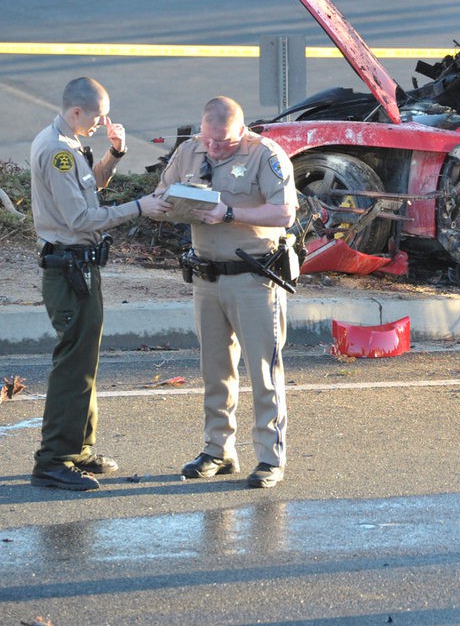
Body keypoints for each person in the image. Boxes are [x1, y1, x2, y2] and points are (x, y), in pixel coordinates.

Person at [29, 77, 170, 491]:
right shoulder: (57, 150)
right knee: (73, 365)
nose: (100, 122)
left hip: (80, 268)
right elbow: (80, 219)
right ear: (76, 112)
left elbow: (91, 188)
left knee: (84, 362)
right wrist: (139, 207)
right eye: (96, 117)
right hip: (69, 270)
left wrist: (115, 152)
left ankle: (80, 448)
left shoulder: (68, 142)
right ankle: (54, 459)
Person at [155, 96, 298, 489]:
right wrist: (169, 205)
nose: (215, 148)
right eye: (209, 139)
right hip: (206, 277)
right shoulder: (189, 151)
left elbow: (285, 213)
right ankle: (217, 450)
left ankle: (270, 458)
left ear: (243, 130)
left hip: (252, 278)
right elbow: (161, 194)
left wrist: (229, 214)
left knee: (263, 373)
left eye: (224, 142)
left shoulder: (264, 154)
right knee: (215, 371)